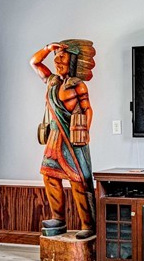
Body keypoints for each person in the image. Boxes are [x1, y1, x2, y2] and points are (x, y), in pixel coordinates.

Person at [30, 39, 96, 239]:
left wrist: (84, 132)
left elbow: (87, 110)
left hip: (73, 137)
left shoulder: (78, 85)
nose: (57, 60)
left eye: (62, 56)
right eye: (55, 57)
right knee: (49, 175)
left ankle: (87, 224)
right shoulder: (51, 81)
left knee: (78, 181)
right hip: (55, 136)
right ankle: (58, 219)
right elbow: (34, 62)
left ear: (72, 60)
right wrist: (48, 48)